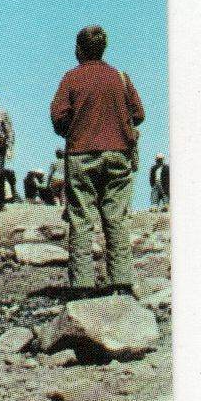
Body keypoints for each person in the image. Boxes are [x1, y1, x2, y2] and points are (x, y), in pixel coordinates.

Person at [51, 25, 145, 293]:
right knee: (116, 217)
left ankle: (82, 285)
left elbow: (58, 118)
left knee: (81, 218)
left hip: (81, 154)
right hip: (118, 153)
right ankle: (121, 282)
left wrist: (75, 126)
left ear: (79, 49)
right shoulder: (121, 77)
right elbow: (138, 114)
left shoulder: (71, 78)